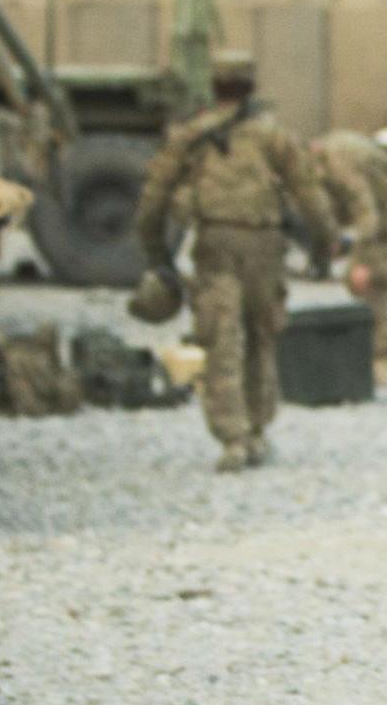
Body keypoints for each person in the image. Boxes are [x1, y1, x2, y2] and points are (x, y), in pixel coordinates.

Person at [132, 53, 334, 472]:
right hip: (265, 247)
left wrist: (157, 255)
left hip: (215, 245)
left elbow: (153, 200)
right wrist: (323, 246)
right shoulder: (274, 137)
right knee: (261, 337)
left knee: (221, 340)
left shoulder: (191, 137)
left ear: (213, 86)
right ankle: (257, 430)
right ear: (251, 86)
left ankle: (233, 438)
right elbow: (309, 196)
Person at [312, 128, 387, 372]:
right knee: (361, 281)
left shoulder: (339, 159)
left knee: (368, 281)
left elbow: (366, 210)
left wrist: (361, 258)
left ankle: (384, 354)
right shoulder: (332, 153)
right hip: (386, 220)